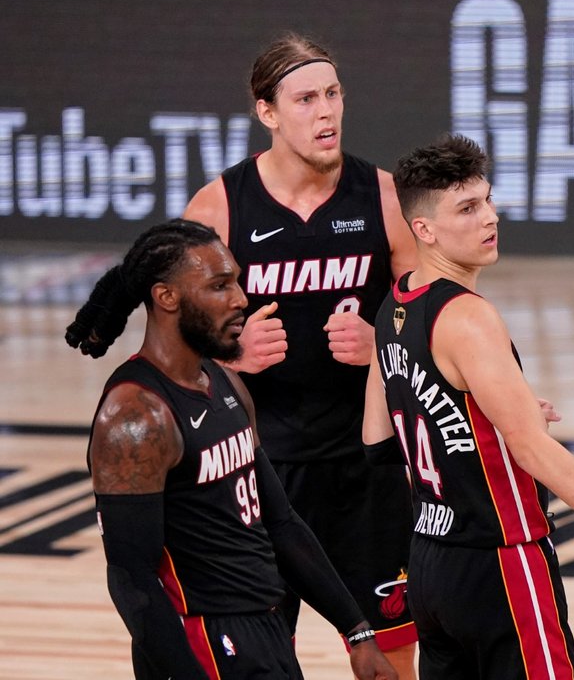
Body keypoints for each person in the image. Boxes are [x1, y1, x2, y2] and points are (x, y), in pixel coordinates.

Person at [361, 133, 574, 679]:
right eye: (467, 207)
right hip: (502, 561)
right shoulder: (469, 317)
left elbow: (377, 440)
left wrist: (487, 408)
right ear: (423, 229)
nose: (490, 216)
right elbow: (529, 447)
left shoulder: (397, 301)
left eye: (487, 199)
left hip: (431, 566)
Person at [65, 219, 397, 679]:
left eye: (237, 281)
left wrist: (357, 631)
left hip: (266, 627)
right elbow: (133, 582)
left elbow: (281, 522)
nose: (241, 298)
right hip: (202, 642)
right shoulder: (137, 416)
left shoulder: (226, 383)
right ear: (167, 297)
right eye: (220, 286)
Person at [182, 33, 418, 675]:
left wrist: (383, 344)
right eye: (306, 98)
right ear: (267, 112)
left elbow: (437, 322)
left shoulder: (387, 198)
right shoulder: (219, 208)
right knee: (262, 661)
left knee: (390, 660)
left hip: (367, 467)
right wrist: (230, 355)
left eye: (334, 94)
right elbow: (174, 352)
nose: (326, 112)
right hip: (262, 472)